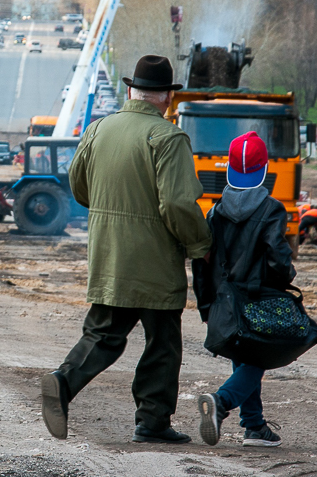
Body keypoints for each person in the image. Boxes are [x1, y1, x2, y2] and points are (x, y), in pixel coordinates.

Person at [42, 55, 212, 444]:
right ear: (168, 97)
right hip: (154, 260)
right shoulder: (168, 138)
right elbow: (178, 204)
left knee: (103, 333)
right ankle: (152, 422)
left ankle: (63, 382)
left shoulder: (99, 128)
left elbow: (79, 186)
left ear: (130, 91)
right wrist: (200, 244)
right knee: (163, 342)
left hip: (107, 252)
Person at [194, 132, 296, 449]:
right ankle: (221, 403)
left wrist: (205, 305)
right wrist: (286, 280)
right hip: (258, 297)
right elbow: (279, 259)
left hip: (223, 299)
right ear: (263, 168)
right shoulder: (272, 209)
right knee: (257, 360)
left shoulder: (214, 212)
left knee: (245, 355)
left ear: (230, 170)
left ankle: (254, 426)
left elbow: (201, 264)